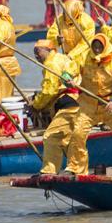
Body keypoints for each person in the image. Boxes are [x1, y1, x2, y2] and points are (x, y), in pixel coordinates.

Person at [65, 34, 112, 176]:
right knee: (78, 133)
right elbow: (68, 70)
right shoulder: (85, 57)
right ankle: (75, 168)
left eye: (100, 46)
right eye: (95, 46)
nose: (97, 49)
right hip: (89, 103)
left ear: (105, 46)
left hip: (110, 104)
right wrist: (68, 79)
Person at [29, 39, 81, 174]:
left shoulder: (51, 64)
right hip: (78, 102)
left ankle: (49, 171)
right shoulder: (62, 58)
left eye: (38, 51)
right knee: (68, 140)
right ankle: (77, 170)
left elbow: (49, 90)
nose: (36, 55)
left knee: (51, 136)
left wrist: (35, 105)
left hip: (68, 103)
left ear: (48, 50)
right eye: (34, 52)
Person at [45, 0, 95, 66]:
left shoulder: (87, 22)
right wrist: (57, 40)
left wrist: (71, 55)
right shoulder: (59, 19)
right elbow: (50, 37)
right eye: (64, 13)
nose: (65, 17)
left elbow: (85, 44)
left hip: (84, 58)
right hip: (66, 57)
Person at [0, 4, 21, 100]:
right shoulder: (9, 25)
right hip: (8, 63)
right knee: (7, 95)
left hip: (0, 65)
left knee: (0, 97)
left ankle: (1, 114)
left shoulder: (0, 25)